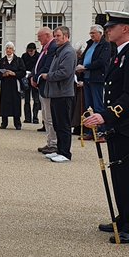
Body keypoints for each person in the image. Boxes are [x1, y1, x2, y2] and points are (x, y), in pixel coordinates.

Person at [82, 12, 129, 243]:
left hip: (126, 125)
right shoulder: (119, 55)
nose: (107, 30)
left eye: (112, 27)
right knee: (118, 175)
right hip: (117, 125)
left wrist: (106, 116)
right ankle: (123, 218)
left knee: (128, 176)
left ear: (125, 29)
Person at [40, 26, 78, 163]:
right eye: (54, 36)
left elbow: (65, 72)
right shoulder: (59, 51)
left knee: (63, 125)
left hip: (63, 93)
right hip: (56, 93)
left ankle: (65, 153)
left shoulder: (68, 52)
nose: (55, 38)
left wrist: (47, 76)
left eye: (58, 36)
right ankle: (59, 150)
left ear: (66, 36)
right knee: (57, 124)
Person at [30, 27, 58, 156]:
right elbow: (39, 64)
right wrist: (32, 76)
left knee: (49, 116)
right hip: (42, 85)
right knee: (46, 116)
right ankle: (50, 141)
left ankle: (53, 143)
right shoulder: (46, 47)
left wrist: (36, 78)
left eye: (40, 37)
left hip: (47, 85)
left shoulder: (52, 47)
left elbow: (47, 66)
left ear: (47, 35)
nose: (38, 40)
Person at [77, 24, 111, 114]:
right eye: (90, 33)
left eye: (93, 33)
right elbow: (83, 57)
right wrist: (79, 65)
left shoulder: (105, 45)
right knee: (88, 106)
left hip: (97, 78)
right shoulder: (90, 44)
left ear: (100, 33)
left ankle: (100, 127)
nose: (91, 35)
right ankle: (90, 126)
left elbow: (101, 61)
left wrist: (85, 67)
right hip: (87, 78)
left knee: (97, 104)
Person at [0, 42, 26, 129]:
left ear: (13, 50)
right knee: (4, 103)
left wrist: (14, 73)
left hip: (15, 84)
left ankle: (17, 123)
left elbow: (23, 72)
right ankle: (4, 122)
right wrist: (3, 75)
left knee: (16, 102)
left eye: (10, 48)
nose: (8, 50)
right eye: (7, 48)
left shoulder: (18, 60)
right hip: (5, 84)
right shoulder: (2, 61)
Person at [21, 43, 40, 124]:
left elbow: (39, 67)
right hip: (26, 80)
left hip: (35, 79)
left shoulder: (38, 56)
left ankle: (35, 117)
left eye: (31, 51)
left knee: (36, 100)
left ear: (35, 50)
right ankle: (27, 118)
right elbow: (22, 66)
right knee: (27, 100)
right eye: (29, 51)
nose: (30, 53)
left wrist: (33, 74)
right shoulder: (24, 56)